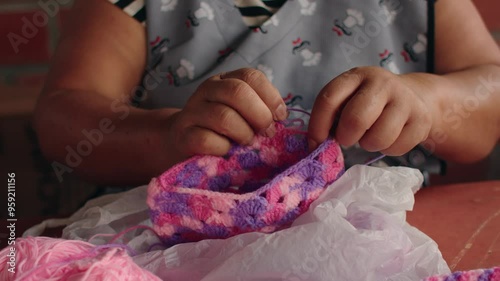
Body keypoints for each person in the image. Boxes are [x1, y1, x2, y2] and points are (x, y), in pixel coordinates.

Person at [34, 0, 500, 186]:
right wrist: (166, 136)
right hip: (187, 252)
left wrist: (427, 101)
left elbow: (490, 85)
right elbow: (64, 115)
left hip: (397, 248)